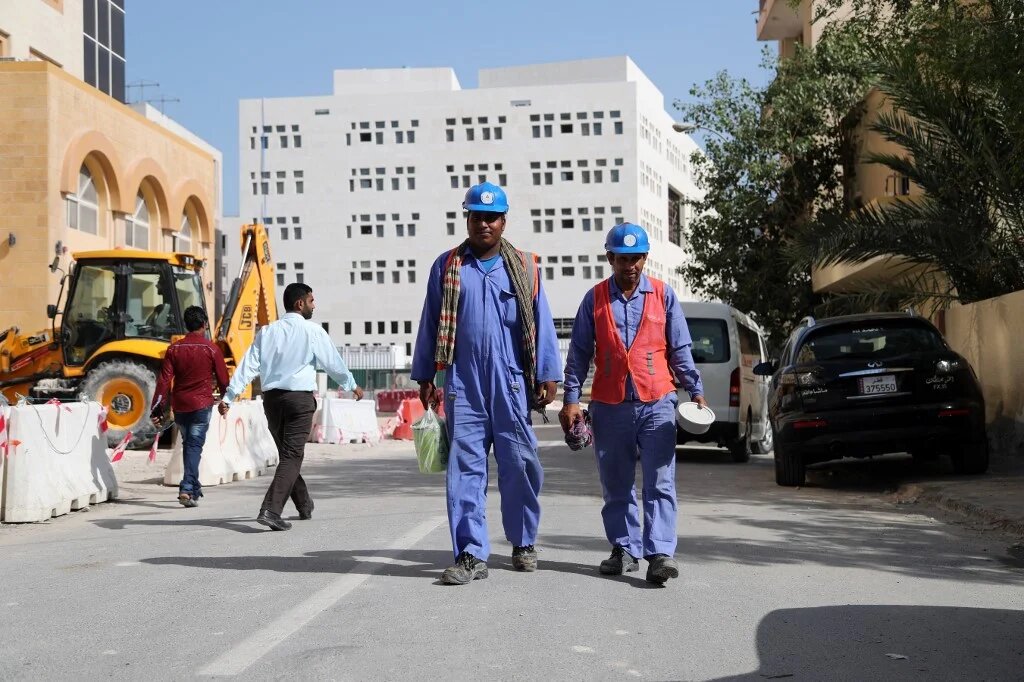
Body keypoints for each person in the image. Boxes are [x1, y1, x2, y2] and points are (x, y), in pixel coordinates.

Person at [412, 182, 562, 585]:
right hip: (462, 381)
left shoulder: (525, 266)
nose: (484, 224)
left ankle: (523, 541)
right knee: (465, 470)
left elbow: (541, 321)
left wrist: (548, 373)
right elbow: (431, 323)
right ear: (467, 219)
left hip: (511, 381)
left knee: (521, 465)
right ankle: (470, 553)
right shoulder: (447, 267)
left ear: (503, 221)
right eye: (477, 216)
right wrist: (426, 374)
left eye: (491, 217)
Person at [558, 223, 706, 586]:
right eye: (623, 259)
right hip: (610, 405)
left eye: (637, 258)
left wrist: (695, 389)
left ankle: (659, 554)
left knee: (660, 481)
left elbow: (680, 348)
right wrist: (571, 399)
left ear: (645, 258)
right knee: (617, 482)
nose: (631, 266)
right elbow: (578, 354)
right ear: (610, 258)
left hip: (657, 401)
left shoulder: (662, 295)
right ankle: (624, 548)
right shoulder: (594, 299)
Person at [219, 282, 364, 531]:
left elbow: (248, 366)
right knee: (292, 456)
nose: (313, 305)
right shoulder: (313, 331)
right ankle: (270, 510)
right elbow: (333, 363)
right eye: (311, 300)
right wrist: (351, 384)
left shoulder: (267, 332)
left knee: (288, 456)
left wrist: (229, 396)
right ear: (300, 303)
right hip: (299, 401)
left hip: (272, 402)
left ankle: (304, 503)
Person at [150, 305, 230, 508]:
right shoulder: (212, 349)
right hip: (201, 406)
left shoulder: (173, 349)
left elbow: (163, 382)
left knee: (189, 446)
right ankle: (186, 488)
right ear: (204, 324)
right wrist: (225, 401)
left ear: (187, 325)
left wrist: (157, 408)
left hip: (180, 407)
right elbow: (223, 379)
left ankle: (193, 488)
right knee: (194, 446)